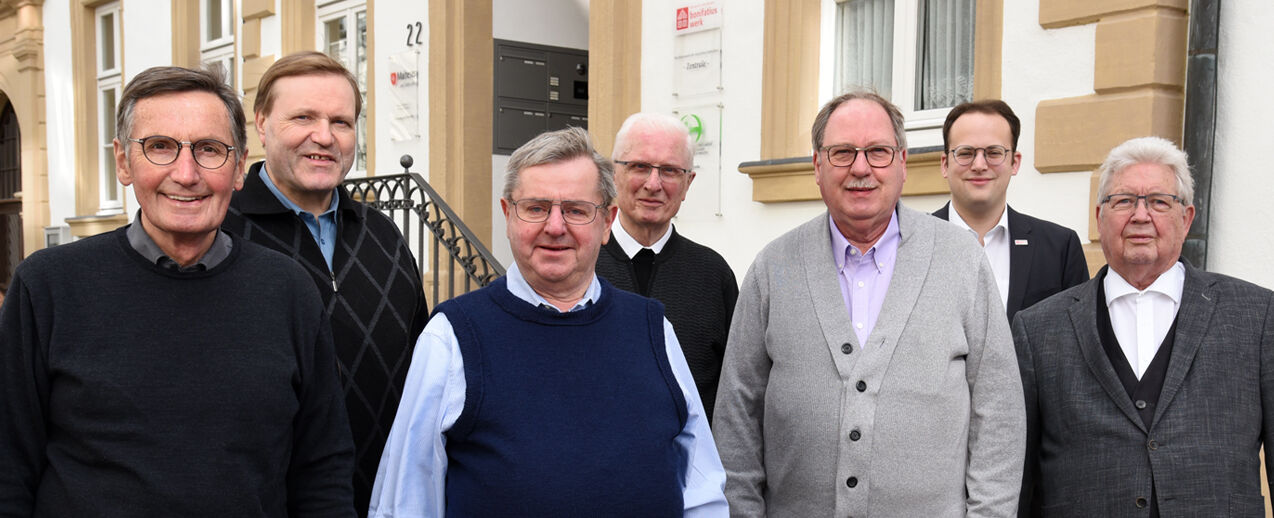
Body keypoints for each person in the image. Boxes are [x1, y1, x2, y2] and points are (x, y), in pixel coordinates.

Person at [0, 66, 354, 516]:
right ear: (123, 162)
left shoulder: (288, 291)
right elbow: (8, 468)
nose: (186, 174)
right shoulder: (48, 286)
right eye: (160, 148)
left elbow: (322, 470)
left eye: (210, 150)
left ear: (239, 167)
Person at [369, 127, 728, 517]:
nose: (555, 227)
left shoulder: (653, 330)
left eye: (575, 210)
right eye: (536, 208)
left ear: (606, 222)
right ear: (508, 215)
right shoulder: (451, 337)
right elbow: (406, 502)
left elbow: (702, 488)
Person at [713, 92, 1024, 517]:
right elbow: (737, 414)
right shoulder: (773, 268)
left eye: (878, 152)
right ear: (817, 166)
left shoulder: (962, 260)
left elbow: (1000, 411)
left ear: (901, 163)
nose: (861, 168)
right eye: (842, 153)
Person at [1012, 136, 1274, 517]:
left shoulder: (1257, 315)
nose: (1140, 215)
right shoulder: (1038, 329)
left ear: (1186, 219)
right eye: (1123, 201)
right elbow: (1018, 474)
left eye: (1158, 201)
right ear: (1099, 216)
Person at [221, 51, 427, 515]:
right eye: (303, 117)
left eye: (341, 121)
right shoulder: (221, 236)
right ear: (261, 124)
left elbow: (416, 376)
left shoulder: (385, 236)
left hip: (381, 501)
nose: (324, 136)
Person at [595, 112, 738, 420]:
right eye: (640, 167)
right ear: (613, 174)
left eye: (670, 171)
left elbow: (736, 391)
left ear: (688, 183)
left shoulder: (713, 275)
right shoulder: (581, 265)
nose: (653, 184)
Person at [933, 100, 1089, 321]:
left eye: (993, 152)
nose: (979, 165)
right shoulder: (908, 244)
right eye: (965, 153)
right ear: (944, 164)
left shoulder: (1059, 248)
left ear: (1014, 163)